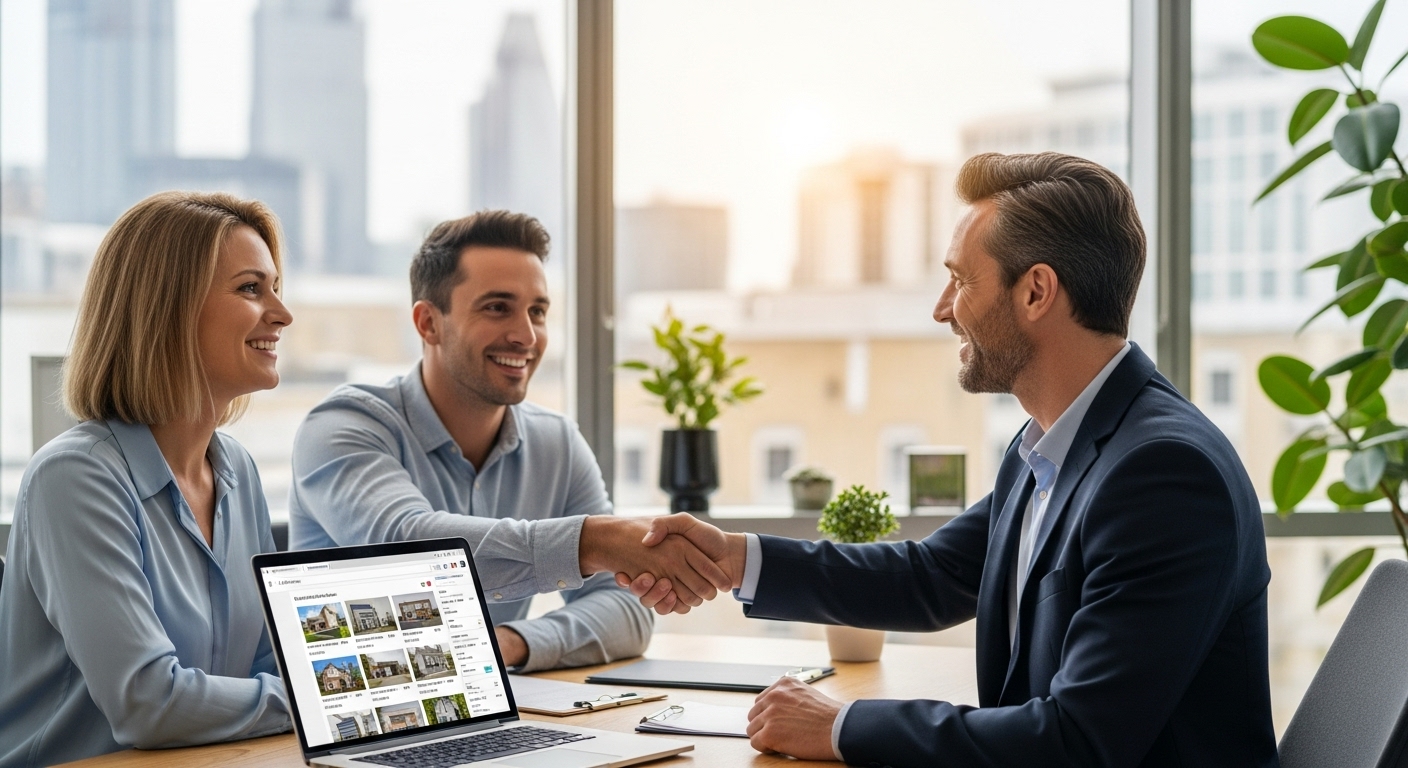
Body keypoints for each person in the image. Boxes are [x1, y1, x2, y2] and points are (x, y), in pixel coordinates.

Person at [624, 153, 1279, 766]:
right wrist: (731, 559)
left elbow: (1078, 742)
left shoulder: (1162, 476)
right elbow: (930, 577)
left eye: (961, 281)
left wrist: (840, 727)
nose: (944, 310)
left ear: (1035, 293)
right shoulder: (1051, 449)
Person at [289, 210, 727, 672]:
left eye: (537, 311)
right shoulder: (342, 426)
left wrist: (508, 643)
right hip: (350, 711)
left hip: (486, 707)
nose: (526, 335)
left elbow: (627, 609)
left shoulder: (555, 442)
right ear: (428, 323)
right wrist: (595, 541)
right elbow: (410, 546)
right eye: (497, 308)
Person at [0, 192, 294, 767]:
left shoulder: (237, 471)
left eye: (276, 287)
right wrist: (320, 700)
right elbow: (148, 703)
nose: (282, 314)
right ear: (167, 309)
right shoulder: (77, 478)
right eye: (251, 288)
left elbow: (266, 661)